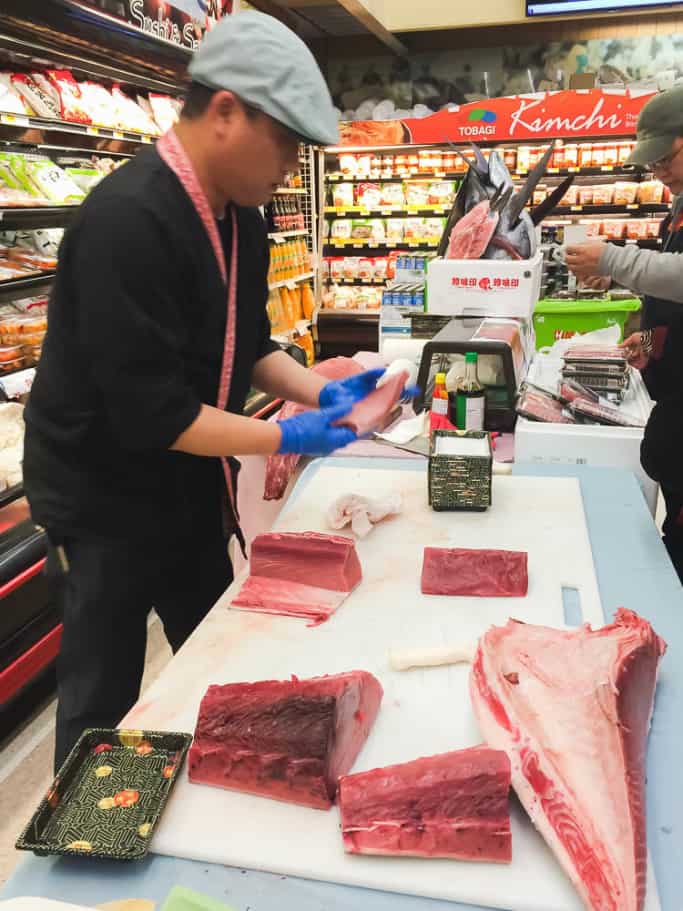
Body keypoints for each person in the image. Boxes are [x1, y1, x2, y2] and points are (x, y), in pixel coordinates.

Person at [23, 11, 396, 771]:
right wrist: (286, 436)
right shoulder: (125, 219)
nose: (292, 165)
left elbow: (249, 343)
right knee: (105, 688)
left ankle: (225, 788)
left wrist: (319, 389)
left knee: (216, 642)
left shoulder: (242, 220)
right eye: (286, 140)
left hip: (183, 475)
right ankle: (92, 858)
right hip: (100, 494)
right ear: (225, 110)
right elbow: (151, 411)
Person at [565, 86, 683, 582]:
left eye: (664, 157)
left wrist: (614, 259)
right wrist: (651, 342)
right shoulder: (678, 208)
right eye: (651, 163)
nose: (658, 171)